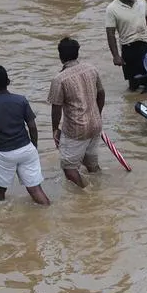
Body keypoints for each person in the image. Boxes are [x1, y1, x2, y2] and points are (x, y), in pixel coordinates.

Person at [0, 66, 50, 206]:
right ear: (8, 81)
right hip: (26, 149)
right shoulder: (21, 100)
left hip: (3, 153)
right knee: (35, 190)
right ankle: (49, 213)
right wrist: (33, 146)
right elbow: (33, 127)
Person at [48, 38, 105, 188]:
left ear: (60, 56)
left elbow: (56, 107)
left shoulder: (59, 79)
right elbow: (101, 93)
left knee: (69, 168)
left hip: (76, 130)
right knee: (91, 163)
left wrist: (55, 129)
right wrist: (97, 114)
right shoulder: (91, 69)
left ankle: (86, 194)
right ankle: (100, 188)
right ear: (77, 53)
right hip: (95, 125)